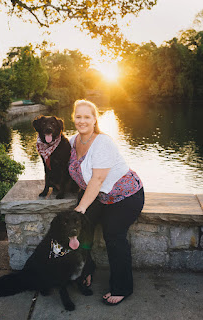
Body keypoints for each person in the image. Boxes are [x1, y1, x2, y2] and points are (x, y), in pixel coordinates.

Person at [68, 99, 144, 306]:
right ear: (73, 118)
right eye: (78, 116)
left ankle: (122, 287)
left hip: (125, 196)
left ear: (94, 119)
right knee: (80, 229)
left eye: (87, 117)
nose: (82, 121)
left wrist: (81, 208)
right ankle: (86, 269)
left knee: (113, 235)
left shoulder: (103, 142)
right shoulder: (73, 140)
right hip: (99, 195)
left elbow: (98, 179)